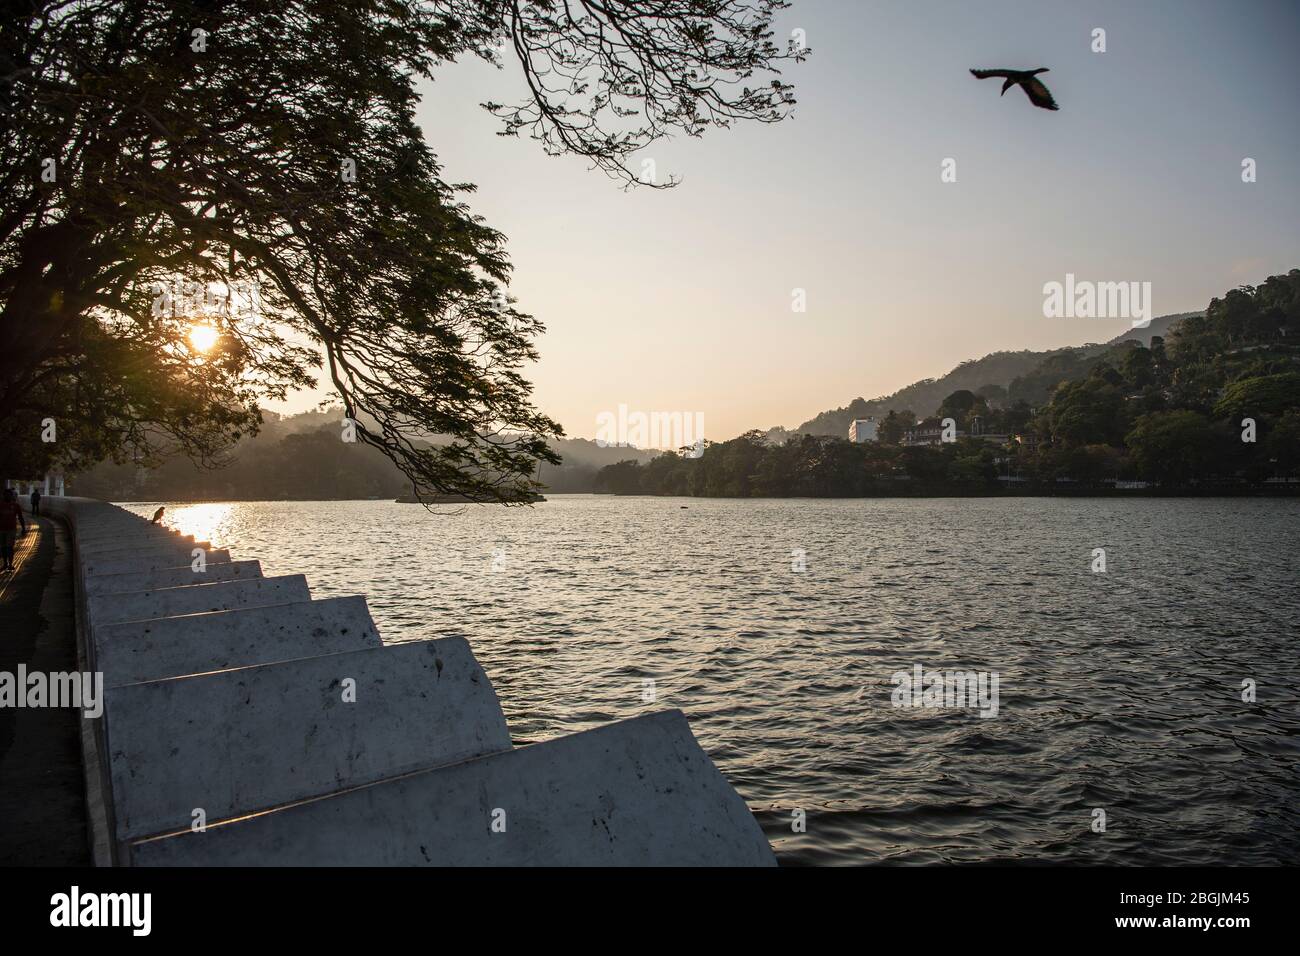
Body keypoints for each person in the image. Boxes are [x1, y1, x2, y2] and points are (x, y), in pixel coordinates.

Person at [1, 489, 27, 572]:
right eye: (6, 495)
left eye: (9, 495)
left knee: (10, 547)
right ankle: (5, 563)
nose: (8, 496)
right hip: (1, 529)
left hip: (11, 529)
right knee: (3, 547)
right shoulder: (0, 505)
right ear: (3, 496)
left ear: (11, 496)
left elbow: (20, 517)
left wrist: (23, 528)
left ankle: (10, 564)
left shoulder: (15, 506)